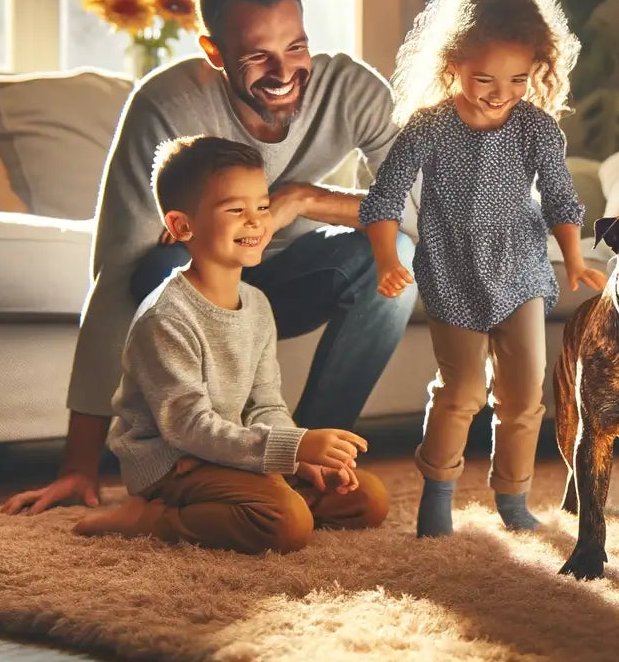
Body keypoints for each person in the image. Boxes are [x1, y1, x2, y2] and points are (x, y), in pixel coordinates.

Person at [1, 0, 416, 517]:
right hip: (194, 282)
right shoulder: (165, 106)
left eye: (296, 47)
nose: (284, 73)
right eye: (257, 56)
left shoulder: (353, 91)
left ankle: (311, 458)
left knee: (395, 257)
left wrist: (303, 198)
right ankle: (194, 470)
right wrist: (76, 466)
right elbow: (117, 273)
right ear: (214, 52)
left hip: (291, 279)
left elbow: (428, 210)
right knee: (151, 272)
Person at [359, 0, 604, 538]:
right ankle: (438, 489)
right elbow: (384, 199)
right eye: (485, 81)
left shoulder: (537, 129)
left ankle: (512, 497)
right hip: (451, 270)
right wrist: (388, 259)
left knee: (523, 396)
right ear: (453, 67)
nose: (501, 96)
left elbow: (562, 200)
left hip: (520, 270)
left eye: (517, 81)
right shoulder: (428, 127)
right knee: (462, 389)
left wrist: (572, 258)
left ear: (535, 71)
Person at [72, 136, 388, 552]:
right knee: (286, 523)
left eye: (262, 207)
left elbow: (266, 404)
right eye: (236, 210)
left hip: (228, 449)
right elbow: (187, 428)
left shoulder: (256, 305)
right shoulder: (165, 317)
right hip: (175, 463)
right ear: (182, 226)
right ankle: (151, 517)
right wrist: (288, 450)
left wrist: (296, 454)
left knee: (367, 499)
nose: (256, 222)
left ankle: (262, 500)